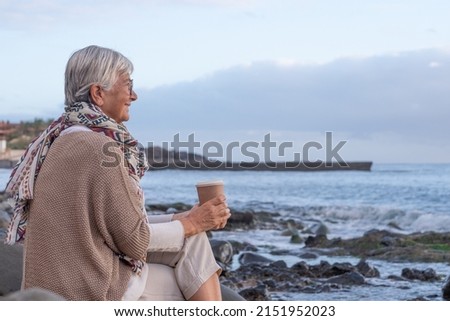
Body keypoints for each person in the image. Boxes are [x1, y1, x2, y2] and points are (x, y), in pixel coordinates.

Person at [4, 45, 232, 301]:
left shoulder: (59, 137)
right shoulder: (100, 148)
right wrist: (192, 223)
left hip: (55, 281)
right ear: (98, 93)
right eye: (128, 85)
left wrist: (186, 219)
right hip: (84, 289)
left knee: (194, 239)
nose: (133, 96)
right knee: (182, 269)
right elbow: (134, 240)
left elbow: (112, 225)